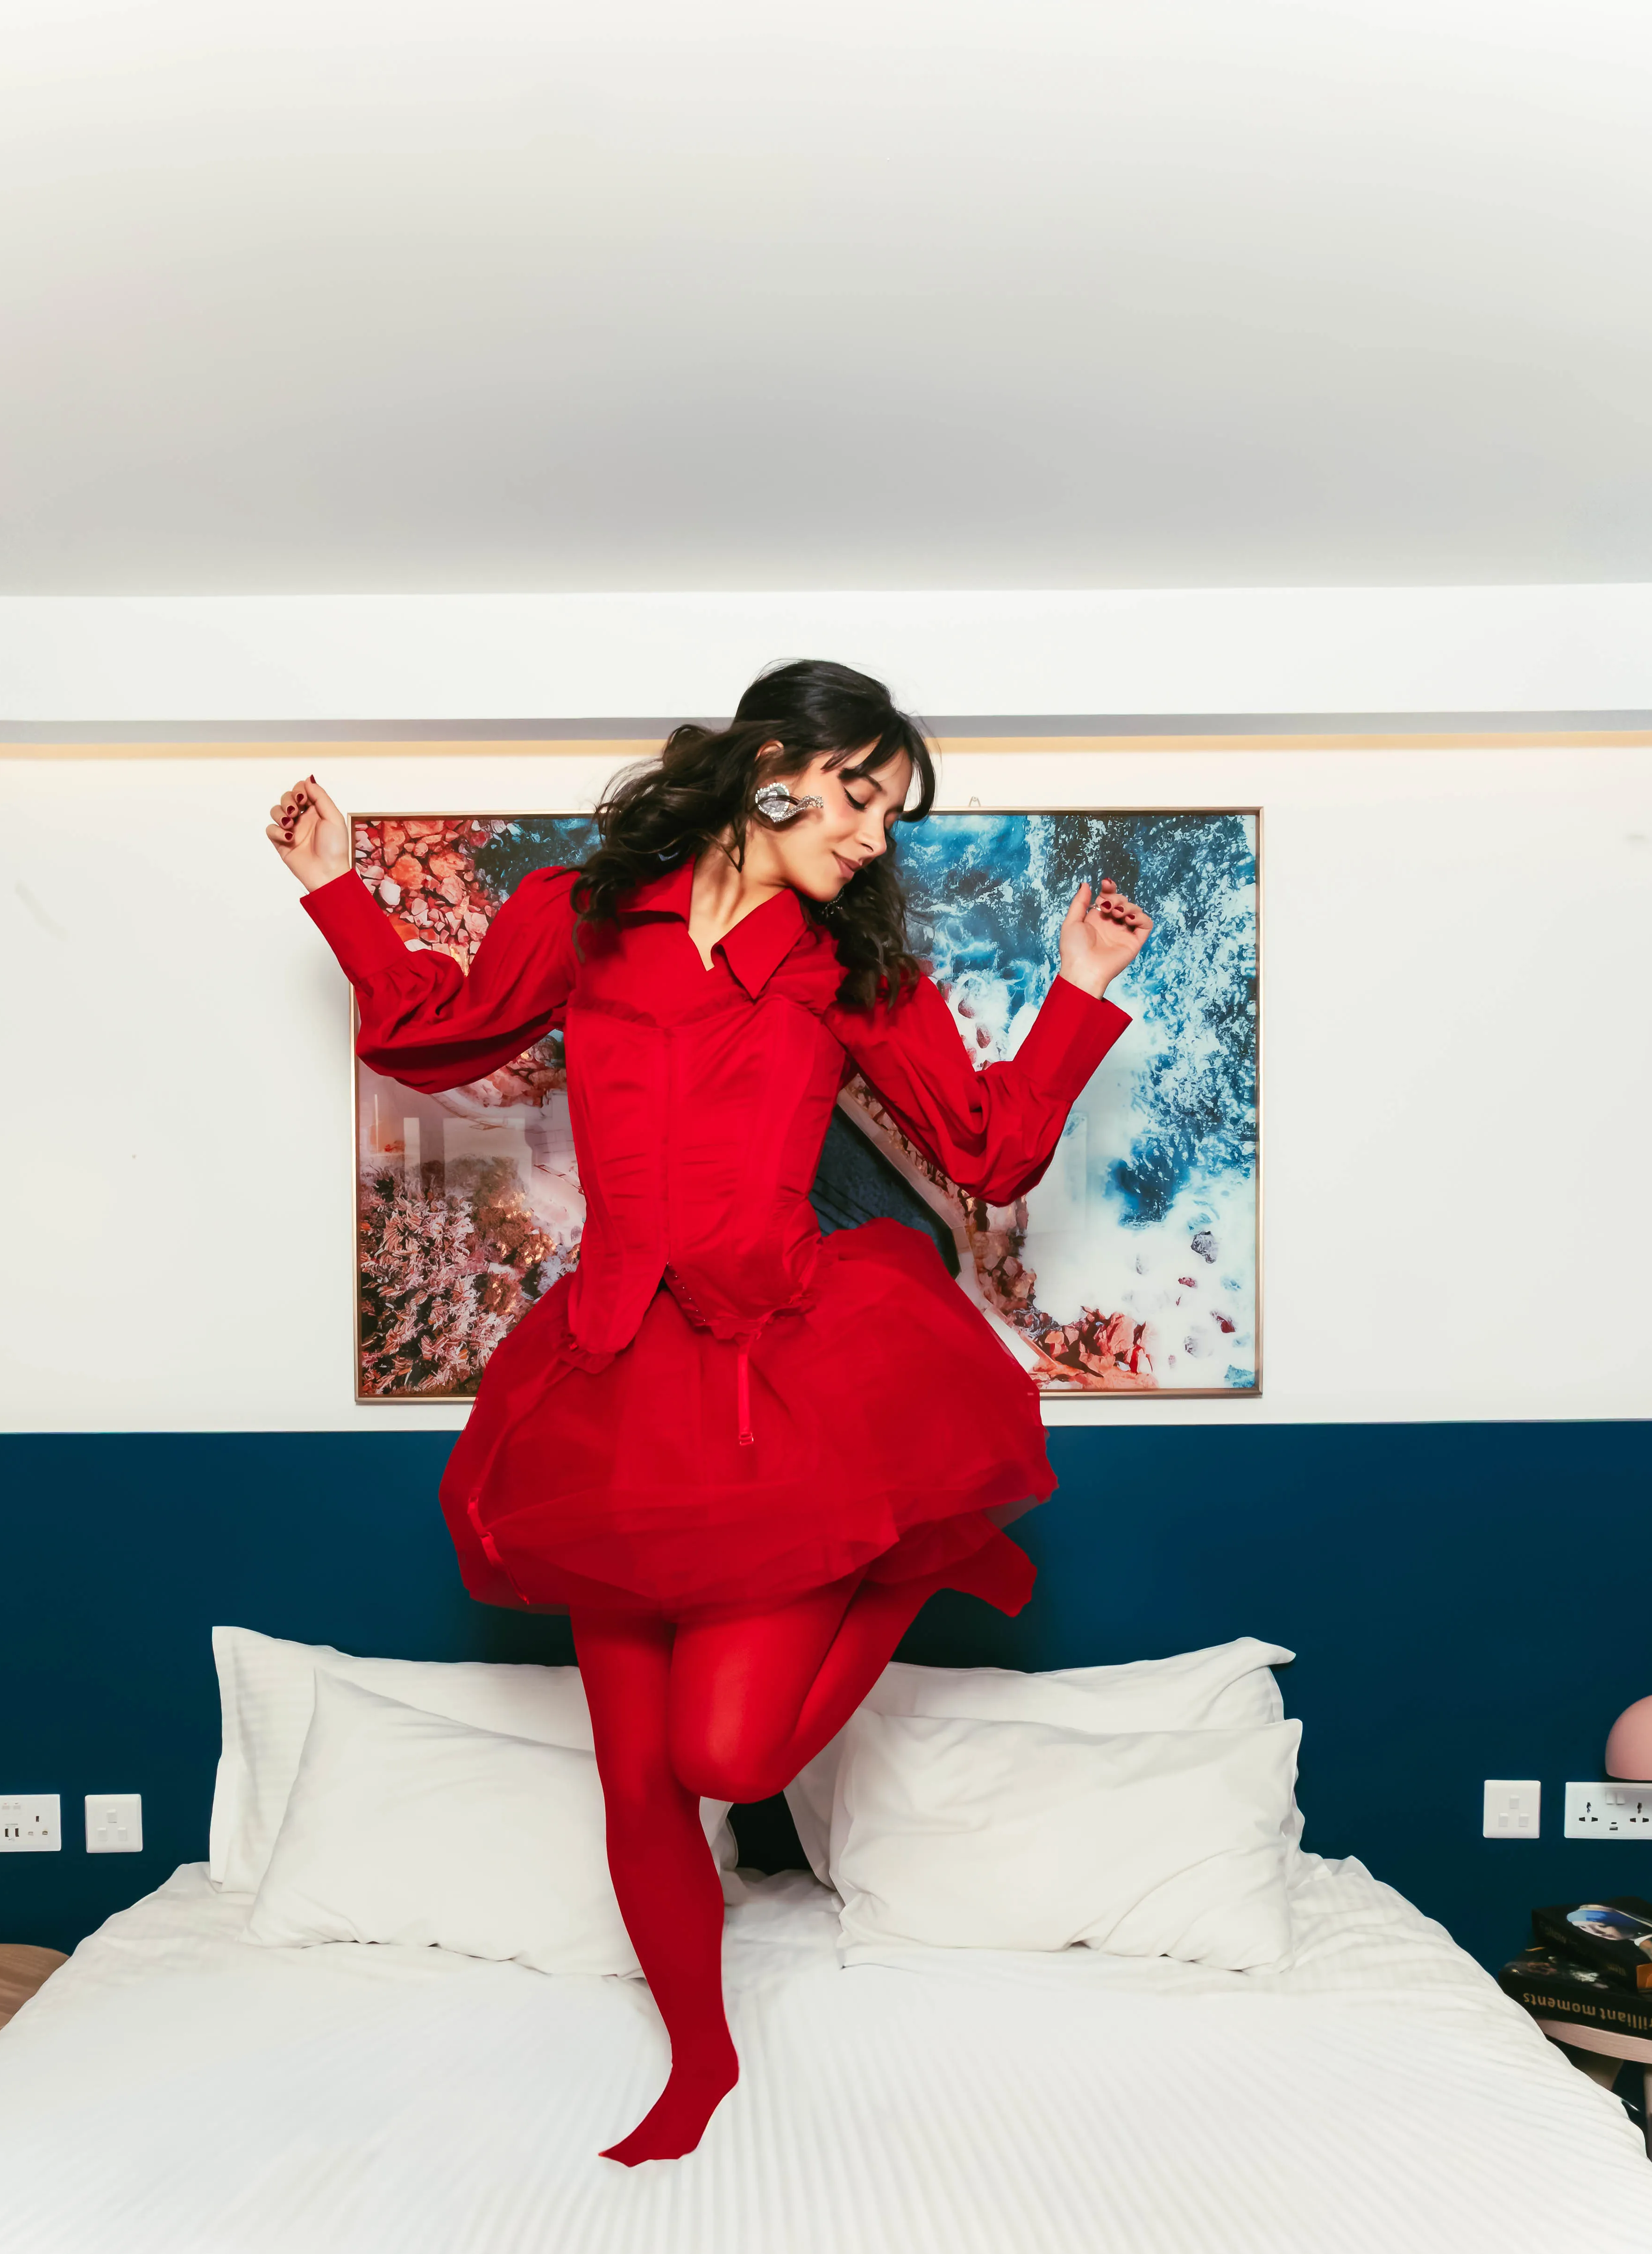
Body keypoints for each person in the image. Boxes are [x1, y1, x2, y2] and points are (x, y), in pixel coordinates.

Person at [266, 660, 1150, 2165]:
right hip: (608, 1377)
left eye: (890, 811)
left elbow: (987, 1155)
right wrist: (342, 891)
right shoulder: (581, 914)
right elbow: (435, 1035)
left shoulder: (849, 970)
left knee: (727, 1761)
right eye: (861, 795)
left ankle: (914, 1553)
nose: (875, 835)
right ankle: (696, 2063)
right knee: (634, 1779)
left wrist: (1076, 990)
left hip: (782, 1378)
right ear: (775, 769)